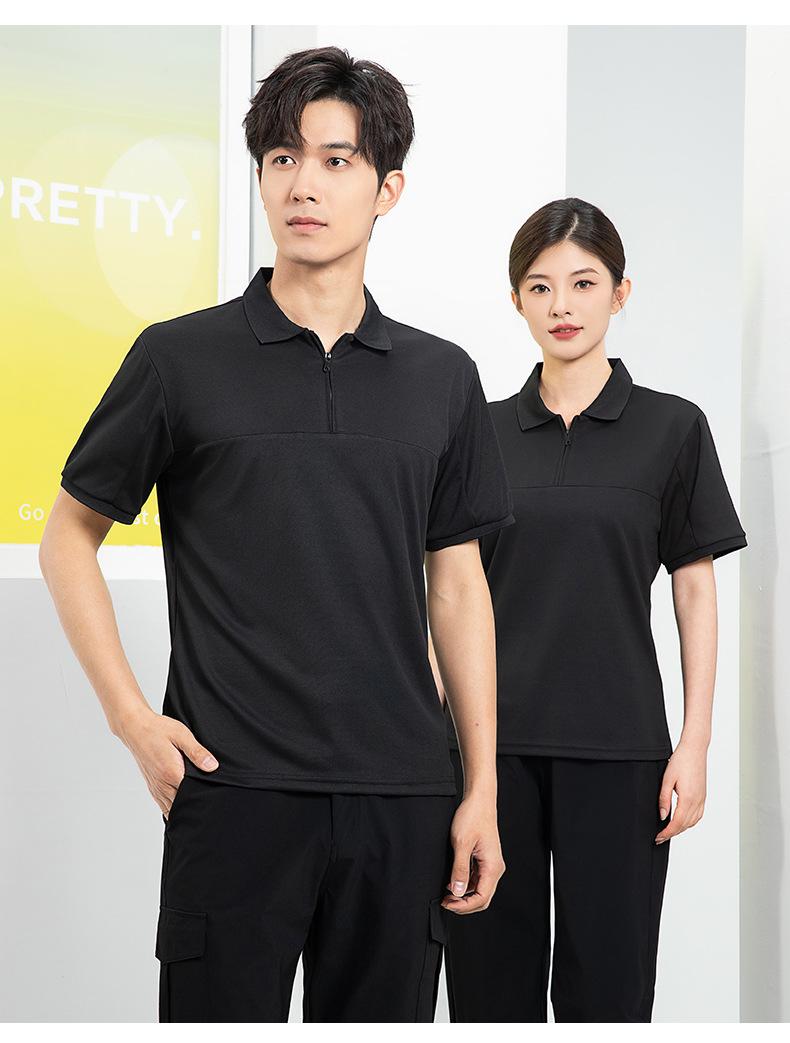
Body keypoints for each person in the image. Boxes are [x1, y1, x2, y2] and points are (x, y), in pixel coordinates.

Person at [39, 46, 515, 1023]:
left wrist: (481, 788)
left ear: (387, 189)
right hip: (233, 790)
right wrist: (133, 720)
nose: (305, 184)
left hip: (401, 795)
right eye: (283, 158)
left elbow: (458, 585)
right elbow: (67, 536)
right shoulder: (179, 358)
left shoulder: (442, 377)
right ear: (259, 176)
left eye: (337, 161)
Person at [429, 197, 748, 1023]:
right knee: (488, 994)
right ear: (516, 301)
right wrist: (439, 739)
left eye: (583, 283)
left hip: (620, 752)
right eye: (539, 287)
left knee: (608, 995)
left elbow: (693, 587)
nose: (561, 305)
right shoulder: (477, 431)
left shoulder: (673, 428)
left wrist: (695, 743)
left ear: (620, 292)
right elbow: (447, 591)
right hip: (489, 755)